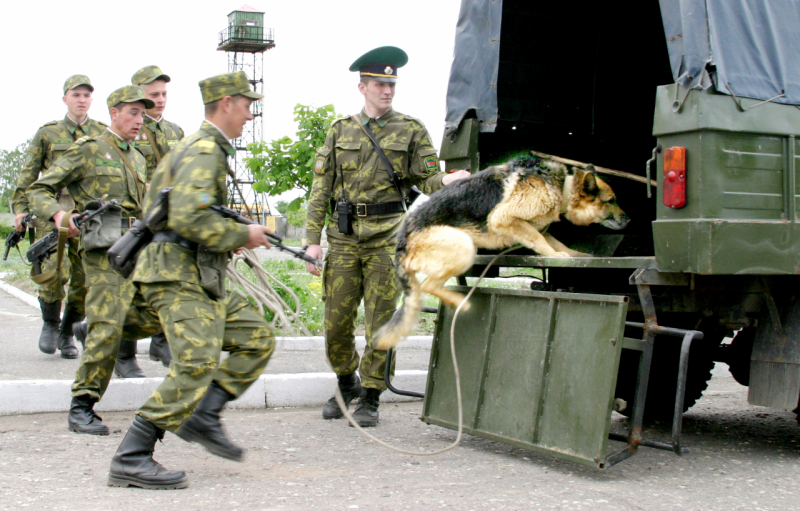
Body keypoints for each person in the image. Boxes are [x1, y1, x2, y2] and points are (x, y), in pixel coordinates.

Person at [107, 71, 276, 490]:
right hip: (177, 273)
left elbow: (192, 216)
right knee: (197, 361)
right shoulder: (203, 150)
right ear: (226, 104)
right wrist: (243, 235)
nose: (250, 115)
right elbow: (189, 218)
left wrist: (229, 235)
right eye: (247, 105)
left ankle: (203, 415)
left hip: (198, 272)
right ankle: (131, 456)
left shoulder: (204, 148)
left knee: (255, 337)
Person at [304, 46, 470, 427]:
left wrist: (446, 181)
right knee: (335, 323)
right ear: (362, 87)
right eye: (379, 84)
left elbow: (428, 177)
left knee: (380, 321)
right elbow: (320, 190)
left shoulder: (411, 129)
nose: (387, 91)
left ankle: (371, 395)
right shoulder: (340, 130)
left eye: (392, 85)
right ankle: (346, 383)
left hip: (386, 238)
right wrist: (312, 240)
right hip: (344, 237)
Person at [27, 86, 163, 436]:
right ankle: (82, 406)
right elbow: (39, 189)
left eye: (143, 114)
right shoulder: (89, 149)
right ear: (114, 112)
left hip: (136, 248)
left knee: (160, 310)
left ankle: (93, 328)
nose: (140, 120)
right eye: (133, 113)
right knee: (108, 326)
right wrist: (60, 215)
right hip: (104, 252)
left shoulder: (137, 157)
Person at [12, 75, 106, 359]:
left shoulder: (102, 133)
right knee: (54, 271)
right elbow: (28, 176)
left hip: (88, 216)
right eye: (76, 95)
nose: (81, 100)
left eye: (86, 95)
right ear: (65, 99)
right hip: (52, 212)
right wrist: (20, 210)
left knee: (84, 279)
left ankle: (68, 331)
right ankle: (50, 323)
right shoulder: (48, 133)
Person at [132, 64, 185, 368]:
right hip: (137, 221)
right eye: (154, 94)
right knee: (134, 284)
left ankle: (161, 342)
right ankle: (124, 354)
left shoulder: (175, 132)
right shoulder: (130, 129)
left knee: (169, 281)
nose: (161, 99)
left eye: (164, 94)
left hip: (168, 222)